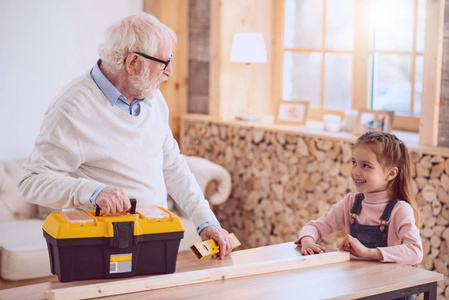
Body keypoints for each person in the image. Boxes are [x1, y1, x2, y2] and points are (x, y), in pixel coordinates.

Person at [18, 13, 233, 259]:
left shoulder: (154, 98)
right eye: (164, 62)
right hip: (98, 245)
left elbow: (172, 165)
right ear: (133, 63)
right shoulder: (71, 109)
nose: (170, 72)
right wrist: (93, 191)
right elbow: (31, 182)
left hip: (154, 237)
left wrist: (206, 222)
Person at [295, 131, 423, 265]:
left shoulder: (400, 210)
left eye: (366, 165)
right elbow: (315, 226)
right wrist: (307, 241)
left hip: (388, 284)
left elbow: (415, 252)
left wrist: (367, 252)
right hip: (357, 282)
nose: (355, 172)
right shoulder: (350, 203)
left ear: (391, 173)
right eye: (354, 163)